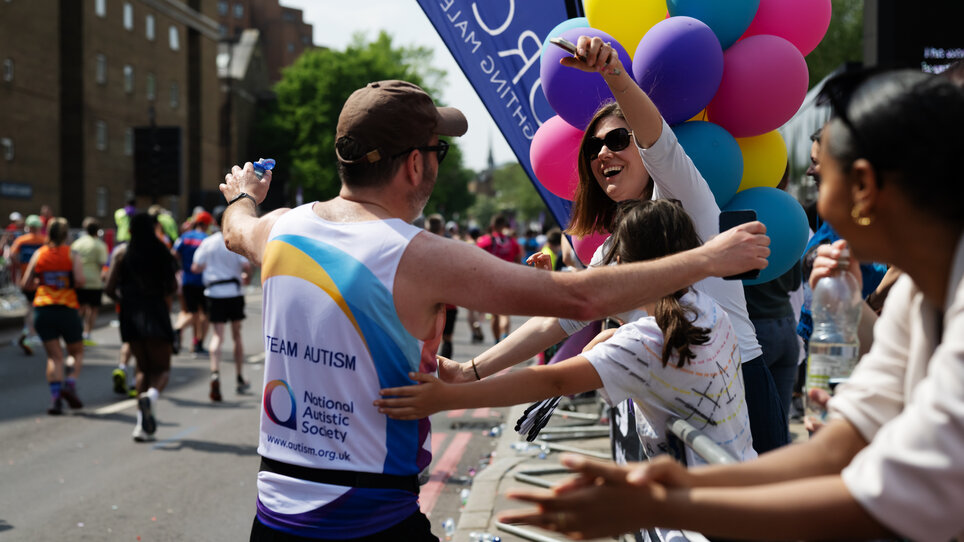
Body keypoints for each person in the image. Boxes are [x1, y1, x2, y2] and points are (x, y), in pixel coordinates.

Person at [217, 79, 769, 541]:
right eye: (439, 151)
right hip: (367, 519)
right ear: (414, 165)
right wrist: (704, 258)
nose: (437, 162)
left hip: (274, 516)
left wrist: (245, 193)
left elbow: (234, 228)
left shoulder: (279, 229)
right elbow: (579, 300)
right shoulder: (419, 254)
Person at [500, 69, 964, 542]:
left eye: (820, 176)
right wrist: (679, 488)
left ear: (862, 186)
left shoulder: (686, 199)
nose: (811, 199)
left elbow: (895, 494)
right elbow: (844, 443)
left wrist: (669, 499)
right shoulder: (914, 292)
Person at [446, 36, 787, 454]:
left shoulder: (686, 202)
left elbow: (658, 141)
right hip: (665, 414)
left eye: (618, 139)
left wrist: (614, 74)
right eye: (593, 146)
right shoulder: (613, 249)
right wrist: (469, 370)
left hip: (736, 392)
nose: (604, 150)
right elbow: (559, 320)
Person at [376, 200, 757, 477]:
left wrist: (450, 397)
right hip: (740, 488)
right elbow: (630, 316)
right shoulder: (704, 309)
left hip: (699, 516)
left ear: (626, 267)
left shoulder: (646, 341)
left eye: (613, 263)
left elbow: (552, 379)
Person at [105, 213, 178, 442]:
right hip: (155, 311)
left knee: (141, 370)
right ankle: (153, 396)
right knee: (162, 369)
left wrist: (125, 299)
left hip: (130, 315)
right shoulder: (162, 251)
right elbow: (172, 287)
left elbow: (108, 288)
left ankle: (140, 427)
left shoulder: (122, 253)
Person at [21, 217, 85, 415]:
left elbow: (25, 283)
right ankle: (71, 383)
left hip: (43, 309)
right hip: (66, 308)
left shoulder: (39, 254)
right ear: (66, 234)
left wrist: (43, 285)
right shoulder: (72, 254)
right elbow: (81, 281)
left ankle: (55, 399)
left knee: (54, 357)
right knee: (75, 352)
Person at [191, 209, 251, 402]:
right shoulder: (234, 240)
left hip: (214, 293)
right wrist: (246, 279)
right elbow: (247, 266)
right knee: (237, 335)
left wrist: (208, 268)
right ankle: (240, 376)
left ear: (213, 223)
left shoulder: (207, 243)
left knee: (217, 335)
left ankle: (215, 372)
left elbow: (196, 267)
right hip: (233, 291)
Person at [476, 213, 523, 344]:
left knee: (494, 315)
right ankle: (504, 339)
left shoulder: (484, 241)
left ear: (492, 226)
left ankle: (497, 342)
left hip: (490, 282)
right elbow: (518, 261)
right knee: (505, 314)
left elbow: (476, 261)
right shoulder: (512, 242)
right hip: (509, 281)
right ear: (504, 226)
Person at [172, 210, 212, 355]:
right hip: (202, 281)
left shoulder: (184, 237)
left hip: (186, 280)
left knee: (192, 312)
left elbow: (174, 254)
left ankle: (186, 335)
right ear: (206, 224)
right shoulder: (206, 239)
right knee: (205, 315)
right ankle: (198, 343)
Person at [9, 214, 48, 355]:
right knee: (35, 307)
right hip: (39, 279)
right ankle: (31, 333)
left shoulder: (21, 240)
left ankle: (28, 331)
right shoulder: (44, 240)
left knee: (29, 306)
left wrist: (18, 266)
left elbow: (11, 256)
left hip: (25, 278)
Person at [71, 217, 109, 346]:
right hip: (94, 281)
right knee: (93, 309)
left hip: (79, 279)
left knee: (79, 308)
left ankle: (75, 332)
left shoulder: (77, 243)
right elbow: (103, 264)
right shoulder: (100, 245)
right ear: (98, 230)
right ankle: (87, 334)